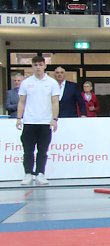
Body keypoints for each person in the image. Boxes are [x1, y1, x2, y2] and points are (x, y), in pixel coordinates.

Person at [16, 56, 60, 185]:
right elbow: (21, 101)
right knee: (28, 150)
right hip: (29, 122)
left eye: (40, 64)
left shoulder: (52, 83)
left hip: (45, 122)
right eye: (35, 65)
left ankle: (40, 173)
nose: (38, 67)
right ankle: (28, 173)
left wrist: (55, 119)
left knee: (42, 150)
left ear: (45, 65)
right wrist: (19, 118)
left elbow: (55, 102)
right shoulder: (26, 82)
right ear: (32, 66)